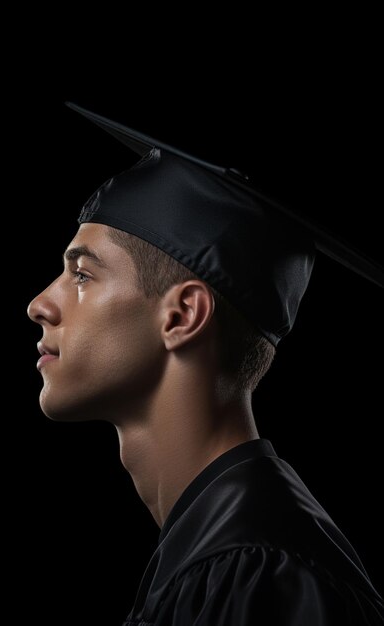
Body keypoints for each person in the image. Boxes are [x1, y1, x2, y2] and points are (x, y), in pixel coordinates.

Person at [28, 103, 384, 625]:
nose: (39, 304)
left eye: (83, 276)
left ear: (183, 315)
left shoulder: (263, 571)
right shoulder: (220, 548)